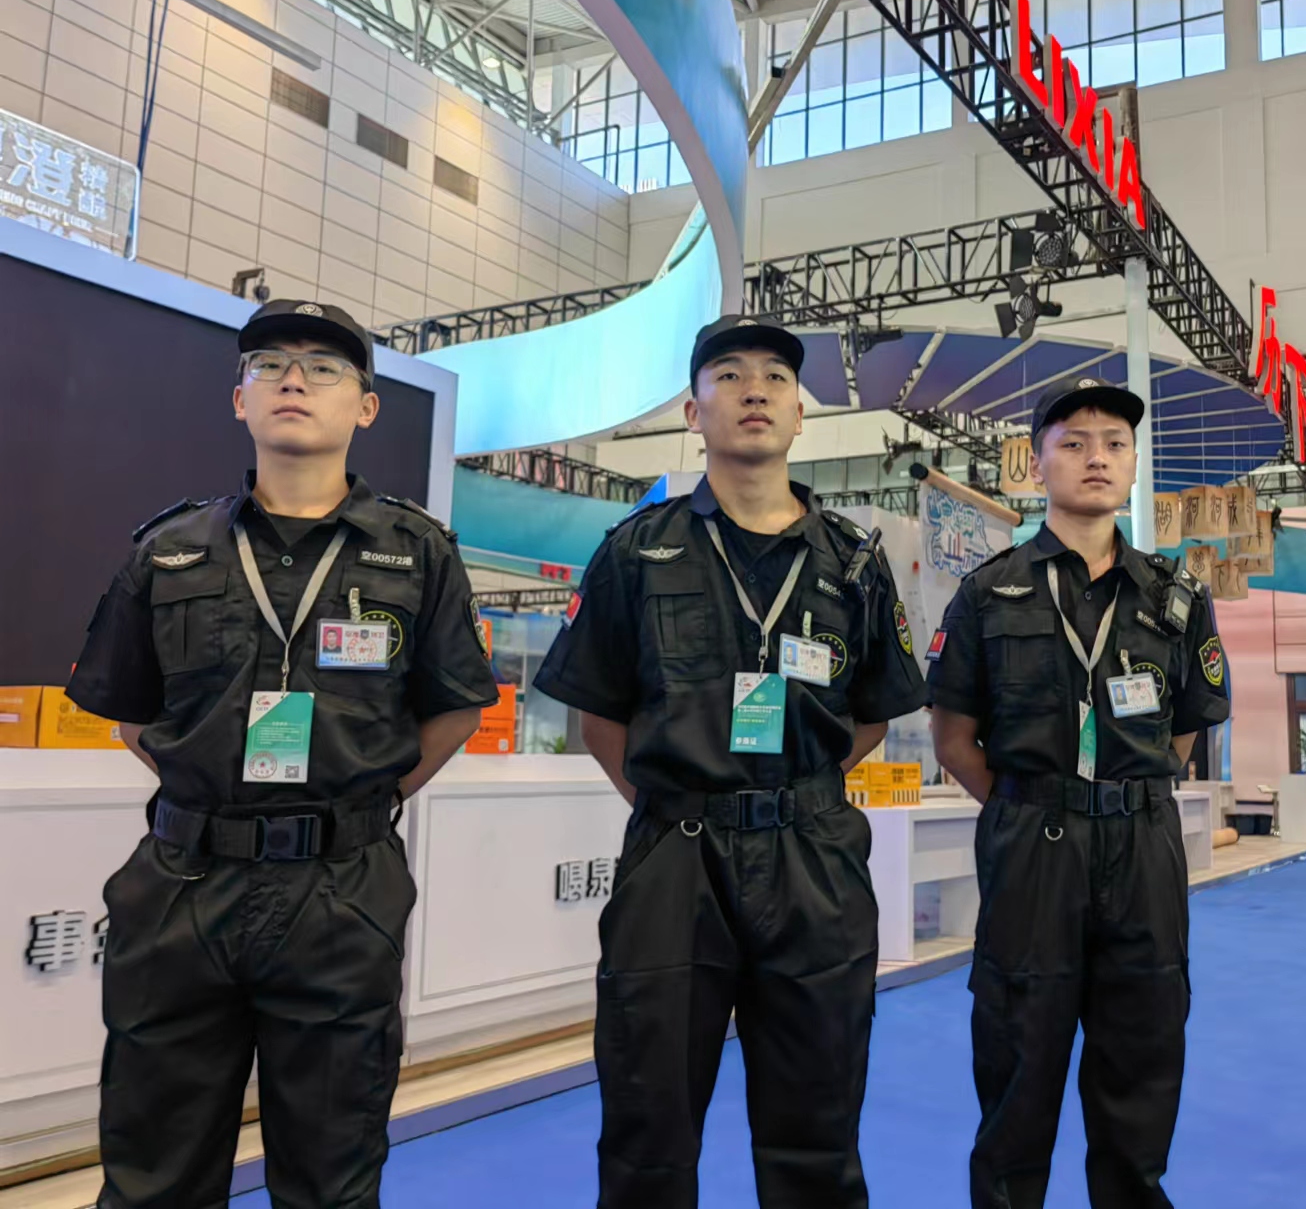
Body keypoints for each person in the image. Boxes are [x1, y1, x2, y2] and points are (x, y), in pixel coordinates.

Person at [65, 299, 499, 1208]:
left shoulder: (416, 554)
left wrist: (360, 803)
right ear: (240, 400)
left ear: (365, 407)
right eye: (269, 365)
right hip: (183, 885)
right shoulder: (170, 551)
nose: (293, 380)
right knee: (151, 1177)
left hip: (340, 891)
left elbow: (457, 710)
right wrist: (210, 798)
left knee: (331, 1177)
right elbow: (130, 715)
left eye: (323, 367)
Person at [533, 316, 927, 1209]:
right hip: (675, 864)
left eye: (777, 378)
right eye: (729, 375)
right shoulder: (638, 551)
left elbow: (871, 714)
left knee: (817, 1135)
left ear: (800, 413)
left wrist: (795, 794)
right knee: (648, 1131)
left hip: (814, 863)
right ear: (692, 410)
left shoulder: (852, 563)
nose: (755, 390)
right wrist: (680, 804)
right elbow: (599, 716)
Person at [927, 375, 1230, 1209]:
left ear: (1132, 464)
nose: (1097, 458)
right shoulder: (988, 593)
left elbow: (1184, 732)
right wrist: (1032, 807)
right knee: (1017, 1071)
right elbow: (954, 738)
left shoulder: (1175, 599)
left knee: (1142, 1065)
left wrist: (1120, 798)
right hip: (1033, 847)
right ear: (1038, 464)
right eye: (1074, 443)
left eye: (1114, 444)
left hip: (1141, 850)